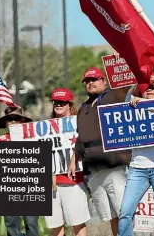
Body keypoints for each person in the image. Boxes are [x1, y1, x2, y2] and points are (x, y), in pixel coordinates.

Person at [70, 67, 131, 236]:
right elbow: (80, 137)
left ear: (104, 81)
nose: (90, 83)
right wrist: (73, 159)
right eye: (87, 81)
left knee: (123, 214)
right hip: (94, 171)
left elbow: (127, 87)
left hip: (115, 167)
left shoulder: (113, 96)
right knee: (111, 216)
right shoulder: (83, 108)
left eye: (94, 79)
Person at [117, 82, 154, 236]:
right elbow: (130, 91)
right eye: (146, 87)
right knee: (125, 213)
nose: (149, 89)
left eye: (153, 87)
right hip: (137, 168)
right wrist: (134, 98)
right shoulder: (133, 106)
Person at [45, 88, 90, 236]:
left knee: (77, 223)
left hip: (74, 182)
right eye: (56, 102)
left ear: (69, 104)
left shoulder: (80, 122)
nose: (58, 105)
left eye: (62, 102)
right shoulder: (45, 127)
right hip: (52, 184)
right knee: (56, 226)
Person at [0, 106, 40, 236]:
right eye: (9, 119)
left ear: (22, 121)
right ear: (5, 123)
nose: (13, 121)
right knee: (11, 224)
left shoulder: (32, 139)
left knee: (31, 223)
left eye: (16, 118)